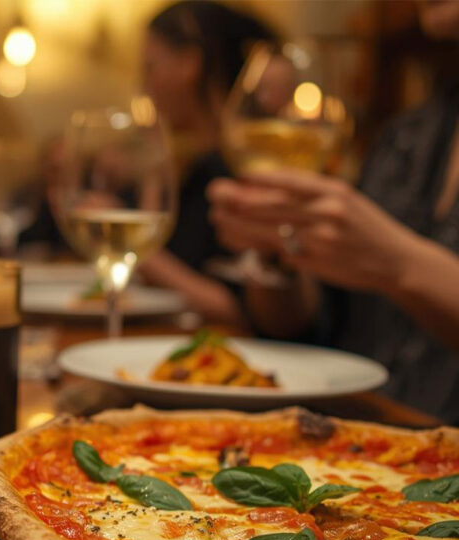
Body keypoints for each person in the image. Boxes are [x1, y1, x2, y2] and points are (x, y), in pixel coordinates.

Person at [207, 0, 459, 422]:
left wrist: (400, 264)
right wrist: (277, 260)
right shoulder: (408, 134)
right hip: (358, 452)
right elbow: (316, 326)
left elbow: (390, 266)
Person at [136, 0, 275, 326]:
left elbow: (239, 310)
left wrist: (132, 249)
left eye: (150, 67)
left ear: (189, 64)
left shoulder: (236, 171)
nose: (145, 87)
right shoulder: (193, 165)